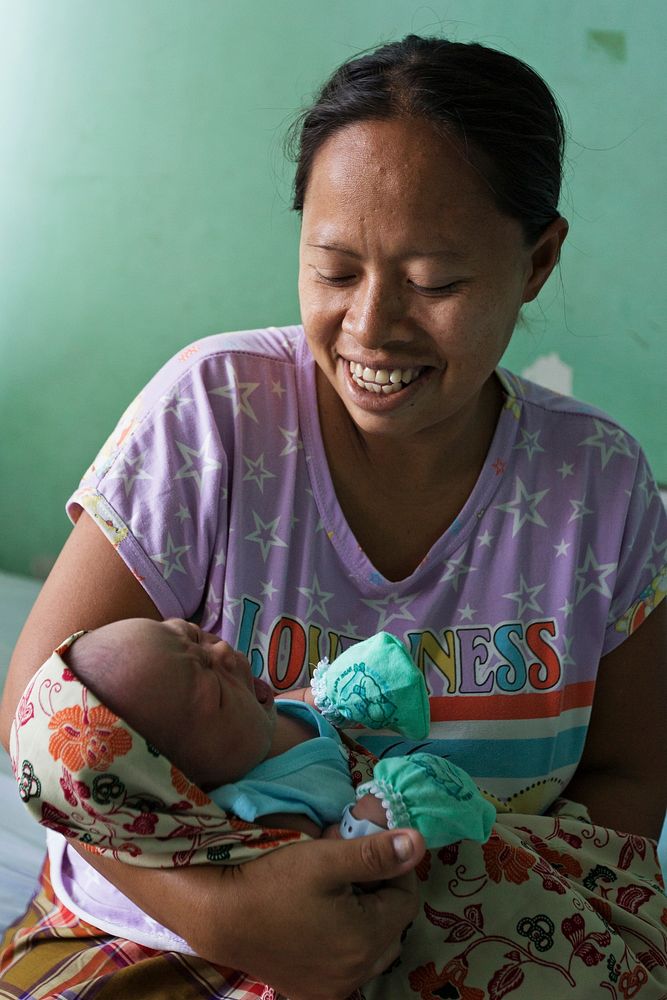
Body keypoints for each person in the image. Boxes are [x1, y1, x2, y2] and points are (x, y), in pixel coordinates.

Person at [1, 32, 665, 1000]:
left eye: (435, 282)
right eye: (334, 268)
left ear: (537, 260)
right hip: (155, 939)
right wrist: (229, 915)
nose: (370, 326)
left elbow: (630, 780)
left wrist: (453, 918)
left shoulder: (598, 488)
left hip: (479, 952)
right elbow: (42, 726)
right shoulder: (213, 417)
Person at [11, 618, 494, 865]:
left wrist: (331, 695)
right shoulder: (261, 810)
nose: (225, 653)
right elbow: (326, 870)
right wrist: (376, 812)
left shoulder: (258, 724)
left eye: (197, 637)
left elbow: (299, 710)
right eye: (215, 689)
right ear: (180, 785)